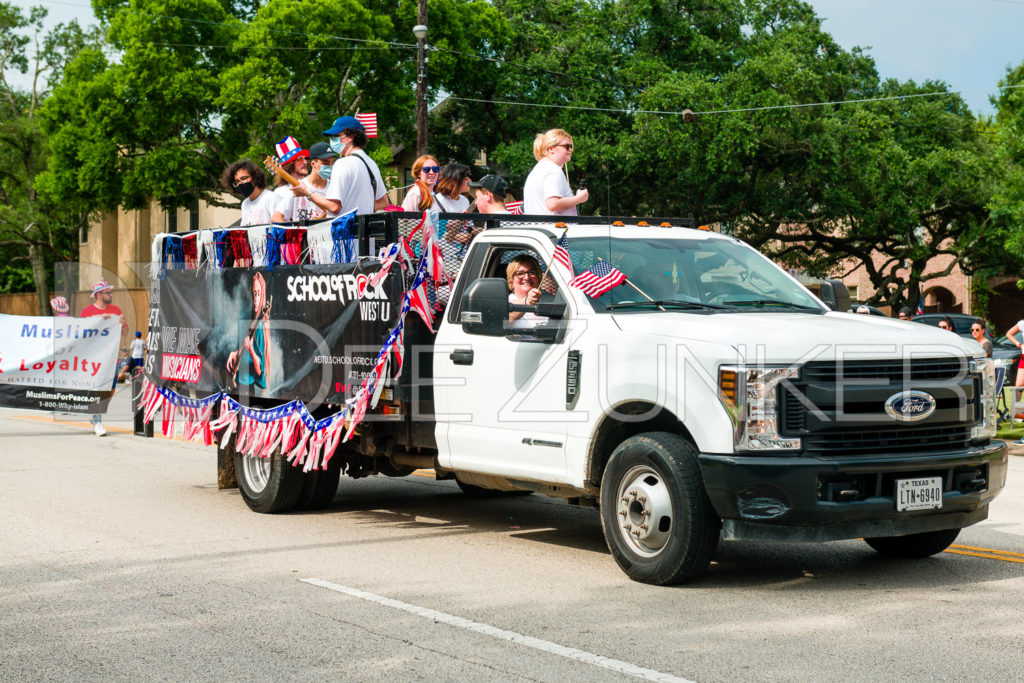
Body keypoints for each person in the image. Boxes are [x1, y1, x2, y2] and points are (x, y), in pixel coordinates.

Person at [80, 280, 125, 437]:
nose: (111, 295)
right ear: (98, 295)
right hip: (94, 357)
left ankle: (95, 413)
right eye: (107, 292)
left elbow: (124, 334)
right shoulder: (87, 312)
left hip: (112, 357)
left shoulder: (116, 310)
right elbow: (82, 334)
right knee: (98, 389)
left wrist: (121, 323)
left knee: (110, 390)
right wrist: (98, 321)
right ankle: (97, 419)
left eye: (110, 292)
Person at [319, 115, 387, 215]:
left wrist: (308, 193)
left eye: (336, 136)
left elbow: (334, 207)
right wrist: (362, 208)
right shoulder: (372, 163)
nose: (332, 140)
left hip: (344, 228)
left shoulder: (342, 163)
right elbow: (384, 202)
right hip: (364, 228)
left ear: (350, 137)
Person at [522, 129, 588, 216]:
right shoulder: (553, 170)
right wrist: (579, 198)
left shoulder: (539, 169)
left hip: (542, 227)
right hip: (555, 228)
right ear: (551, 149)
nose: (571, 149)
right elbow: (553, 204)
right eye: (567, 146)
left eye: (571, 146)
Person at [226, 272, 270, 393]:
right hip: (239, 379)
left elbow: (259, 370)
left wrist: (250, 349)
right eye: (254, 293)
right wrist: (235, 353)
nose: (256, 299)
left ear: (263, 295)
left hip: (247, 387)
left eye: (259, 294)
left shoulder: (261, 325)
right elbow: (243, 346)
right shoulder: (249, 317)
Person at [277, 141, 337, 222]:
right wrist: (295, 233)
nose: (330, 166)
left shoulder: (334, 187)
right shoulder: (298, 187)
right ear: (313, 164)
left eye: (332, 162)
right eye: (325, 163)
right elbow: (276, 217)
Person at [221, 159, 278, 226]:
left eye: (243, 178)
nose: (240, 183)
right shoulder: (245, 204)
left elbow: (280, 228)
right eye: (237, 182)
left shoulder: (271, 198)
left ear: (255, 177)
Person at [268, 135, 310, 222]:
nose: (305, 162)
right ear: (289, 165)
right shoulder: (280, 193)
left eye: (305, 158)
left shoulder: (312, 184)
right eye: (300, 159)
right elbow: (276, 221)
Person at [506, 254, 546, 329]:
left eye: (532, 272)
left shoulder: (549, 301)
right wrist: (527, 301)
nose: (527, 277)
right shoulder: (506, 302)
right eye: (520, 273)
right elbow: (505, 316)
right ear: (511, 281)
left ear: (538, 277)